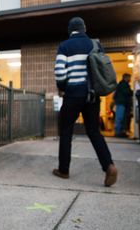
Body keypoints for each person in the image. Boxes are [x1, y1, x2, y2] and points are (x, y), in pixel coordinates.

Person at [52, 17, 118, 187]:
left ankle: (64, 170)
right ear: (84, 28)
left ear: (70, 30)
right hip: (92, 96)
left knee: (66, 131)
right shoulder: (94, 44)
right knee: (94, 132)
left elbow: (60, 73)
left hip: (73, 94)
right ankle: (109, 166)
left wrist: (63, 86)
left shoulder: (65, 46)